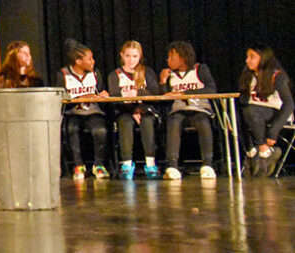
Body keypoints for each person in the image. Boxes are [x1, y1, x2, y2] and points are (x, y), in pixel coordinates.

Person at [160, 41, 217, 180]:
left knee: (203, 123)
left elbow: (211, 89)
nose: (168, 60)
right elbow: (164, 97)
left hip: (200, 108)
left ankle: (207, 164)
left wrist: (185, 93)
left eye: (171, 57)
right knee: (173, 122)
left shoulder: (200, 69)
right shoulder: (169, 75)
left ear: (183, 58)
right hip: (178, 110)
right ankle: (172, 166)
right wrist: (162, 82)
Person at [57, 38, 110, 180]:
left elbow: (100, 91)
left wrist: (104, 93)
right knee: (71, 130)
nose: (93, 62)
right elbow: (60, 98)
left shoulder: (95, 73)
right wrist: (82, 96)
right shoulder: (63, 74)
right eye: (90, 59)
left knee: (100, 130)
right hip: (73, 112)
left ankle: (98, 165)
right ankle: (78, 165)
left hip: (92, 111)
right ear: (79, 61)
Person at [106, 41, 161, 179]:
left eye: (135, 56)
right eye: (128, 56)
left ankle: (150, 163)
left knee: (147, 122)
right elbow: (114, 97)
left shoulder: (147, 72)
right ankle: (127, 164)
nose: (131, 60)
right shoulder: (115, 75)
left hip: (145, 110)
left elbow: (155, 94)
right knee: (125, 122)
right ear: (122, 56)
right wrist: (131, 108)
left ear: (140, 56)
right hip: (124, 111)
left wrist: (139, 101)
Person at [238, 44, 293, 177]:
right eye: (247, 57)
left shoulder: (276, 76)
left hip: (276, 113)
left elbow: (289, 104)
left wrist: (274, 131)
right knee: (234, 115)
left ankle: (264, 150)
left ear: (263, 58)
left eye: (252, 57)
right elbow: (243, 101)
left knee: (250, 111)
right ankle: (252, 152)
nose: (247, 60)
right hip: (254, 115)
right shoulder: (248, 76)